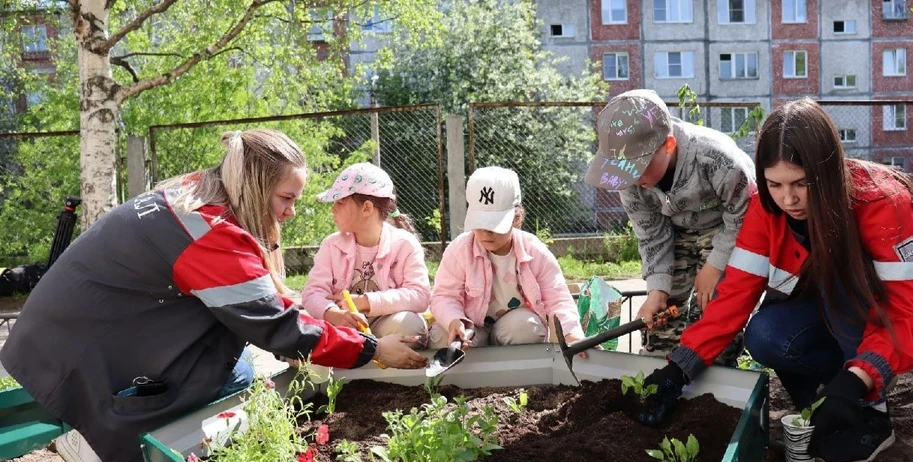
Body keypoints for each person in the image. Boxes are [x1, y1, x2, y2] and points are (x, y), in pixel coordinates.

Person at [0, 129, 426, 462]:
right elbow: (274, 325)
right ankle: (94, 449)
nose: (290, 212)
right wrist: (370, 349)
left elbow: (262, 295)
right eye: (286, 198)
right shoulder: (211, 231)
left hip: (84, 319)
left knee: (234, 371)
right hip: (75, 338)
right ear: (256, 185)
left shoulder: (202, 190)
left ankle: (110, 430)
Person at [636, 98, 913, 462]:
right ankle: (827, 399)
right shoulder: (766, 208)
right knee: (766, 334)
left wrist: (858, 381)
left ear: (827, 171)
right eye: (774, 184)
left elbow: (908, 311)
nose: (788, 198)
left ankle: (869, 411)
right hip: (835, 299)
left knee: (843, 286)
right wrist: (679, 367)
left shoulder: (883, 203)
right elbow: (735, 295)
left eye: (801, 183)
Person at [585, 89, 756, 360]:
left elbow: (743, 216)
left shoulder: (717, 159)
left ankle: (716, 372)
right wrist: (657, 290)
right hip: (674, 232)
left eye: (638, 167)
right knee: (660, 321)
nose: (633, 178)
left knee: (712, 314)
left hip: (726, 230)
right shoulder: (630, 182)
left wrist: (714, 266)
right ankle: (661, 370)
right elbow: (652, 235)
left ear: (668, 145)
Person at [429, 166, 586, 351]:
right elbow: (444, 296)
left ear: (517, 218)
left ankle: (514, 376)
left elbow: (557, 299)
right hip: (469, 327)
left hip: (510, 328)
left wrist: (572, 334)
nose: (486, 232)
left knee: (527, 328)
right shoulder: (460, 250)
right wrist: (453, 320)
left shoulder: (535, 251)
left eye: (494, 225)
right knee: (441, 335)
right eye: (480, 224)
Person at [301, 162, 430, 346]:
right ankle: (358, 351)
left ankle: (365, 352)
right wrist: (333, 314)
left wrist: (364, 302)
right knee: (303, 332)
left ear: (367, 208)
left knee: (410, 325)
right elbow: (313, 292)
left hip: (384, 323)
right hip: (343, 325)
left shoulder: (405, 244)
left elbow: (419, 296)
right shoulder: (332, 245)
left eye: (340, 202)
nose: (333, 209)